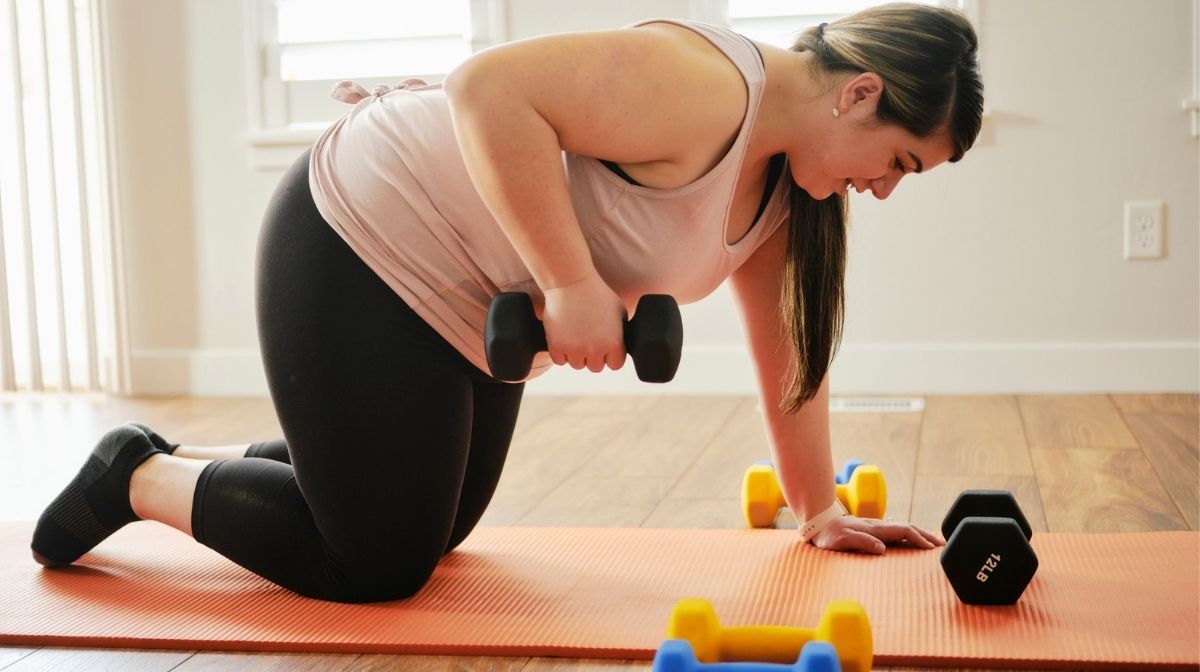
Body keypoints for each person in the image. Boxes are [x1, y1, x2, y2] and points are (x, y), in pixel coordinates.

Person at [30, 2, 983, 603]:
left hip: (474, 291)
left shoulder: (788, 192)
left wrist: (819, 508)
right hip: (366, 228)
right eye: (900, 162)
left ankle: (303, 460)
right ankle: (134, 475)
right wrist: (572, 285)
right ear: (861, 94)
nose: (886, 188)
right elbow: (487, 88)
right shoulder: (708, 84)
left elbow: (789, 355)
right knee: (376, 563)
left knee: (439, 527)